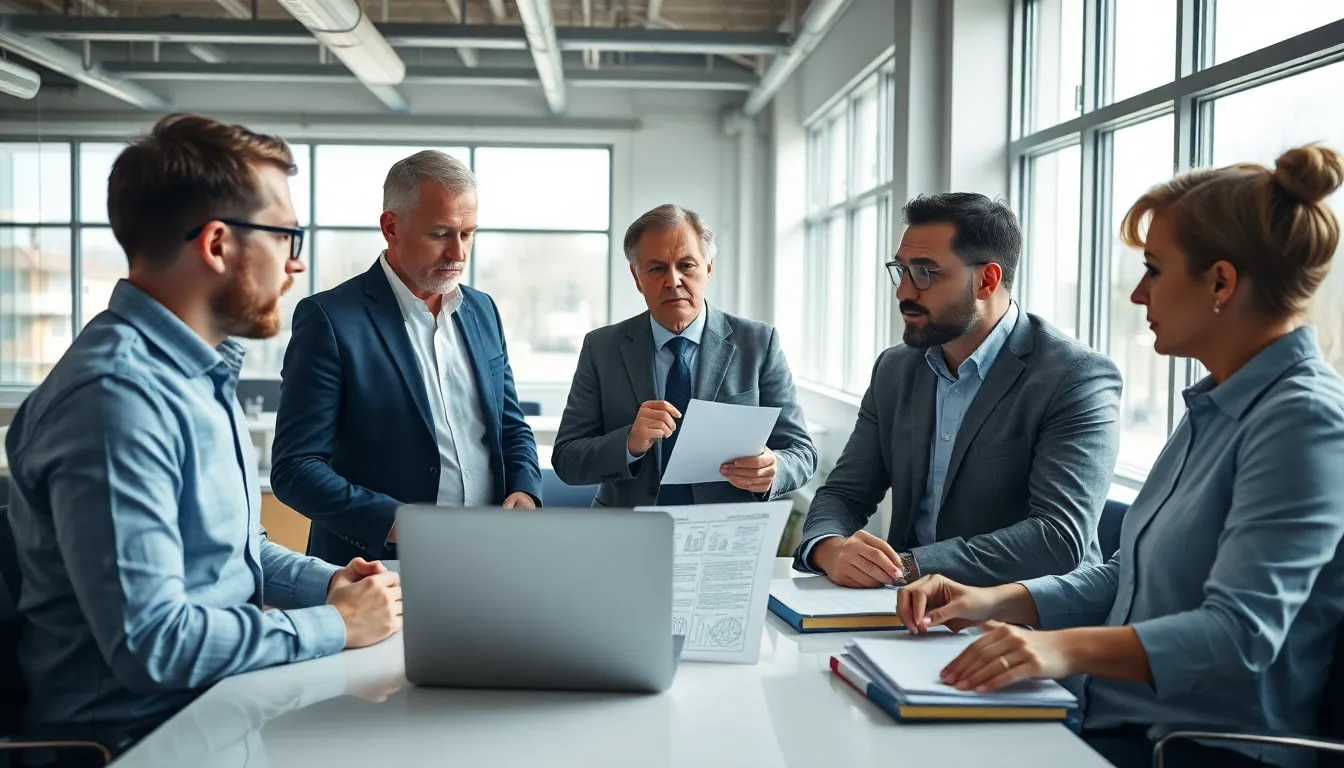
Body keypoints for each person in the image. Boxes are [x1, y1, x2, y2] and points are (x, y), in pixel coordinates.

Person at [898, 145, 1344, 768]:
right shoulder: (1215, 405)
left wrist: (1061, 650)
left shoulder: (1304, 419)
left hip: (1204, 751)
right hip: (1120, 724)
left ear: (1221, 282)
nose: (1138, 295)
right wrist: (995, 599)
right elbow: (1126, 578)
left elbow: (1238, 636)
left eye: (1155, 270)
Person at [4, 114, 402, 744]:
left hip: (219, 716)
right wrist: (334, 624)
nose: (295, 266)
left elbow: (226, 557)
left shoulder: (196, 378)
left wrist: (329, 584)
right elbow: (152, 644)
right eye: (285, 237)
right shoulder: (117, 399)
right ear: (217, 244)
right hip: (137, 744)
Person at [794, 192, 1122, 588]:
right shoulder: (895, 368)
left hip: (1024, 619)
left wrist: (908, 567)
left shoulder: (1076, 377)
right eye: (902, 271)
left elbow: (1057, 537)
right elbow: (846, 493)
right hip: (906, 608)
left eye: (926, 273)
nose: (904, 293)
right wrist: (829, 547)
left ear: (987, 280)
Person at [271, 150, 541, 565]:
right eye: (440, 234)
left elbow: (510, 426)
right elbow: (296, 469)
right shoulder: (329, 319)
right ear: (391, 227)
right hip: (378, 568)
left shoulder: (483, 310)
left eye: (467, 234)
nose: (459, 253)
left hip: (490, 558)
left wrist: (524, 490)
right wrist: (396, 522)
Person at [552, 204, 816, 506]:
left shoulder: (758, 344)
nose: (673, 280)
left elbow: (801, 453)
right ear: (637, 277)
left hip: (726, 534)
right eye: (657, 268)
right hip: (628, 533)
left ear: (708, 269)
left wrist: (774, 468)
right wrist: (629, 443)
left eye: (687, 265)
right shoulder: (601, 349)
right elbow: (567, 459)